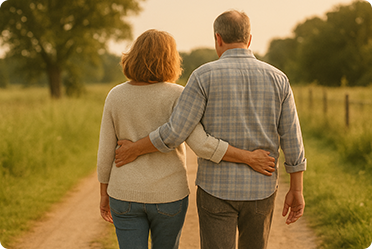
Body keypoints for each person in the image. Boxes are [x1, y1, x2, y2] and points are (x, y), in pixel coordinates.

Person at [115, 10, 307, 249]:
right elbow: (292, 138)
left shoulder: (202, 77)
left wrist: (135, 149)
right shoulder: (279, 79)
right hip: (262, 188)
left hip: (216, 190)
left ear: (217, 38)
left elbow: (176, 132)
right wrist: (296, 189)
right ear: (249, 39)